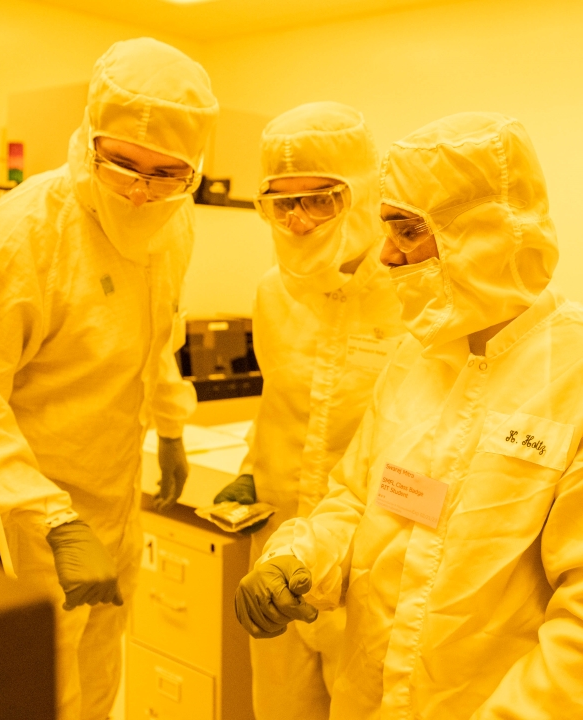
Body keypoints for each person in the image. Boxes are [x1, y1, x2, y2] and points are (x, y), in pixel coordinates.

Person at [234, 112, 583, 720]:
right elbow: (358, 501)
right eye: (386, 229)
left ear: (482, 234)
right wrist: (297, 559)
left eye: (407, 231)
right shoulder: (418, 358)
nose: (387, 255)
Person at [0, 38, 218, 720]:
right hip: (17, 510)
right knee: (23, 688)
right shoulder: (19, 237)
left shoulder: (170, 221)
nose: (142, 190)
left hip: (111, 498)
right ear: (88, 137)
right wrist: (50, 519)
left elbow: (159, 327)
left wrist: (170, 424)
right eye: (123, 164)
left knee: (98, 680)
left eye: (167, 173)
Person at [213, 102, 406, 720]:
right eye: (280, 201)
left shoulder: (415, 291)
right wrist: (253, 465)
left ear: (363, 194)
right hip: (280, 548)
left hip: (376, 559)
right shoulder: (274, 291)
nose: (297, 220)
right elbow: (282, 400)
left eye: (320, 199)